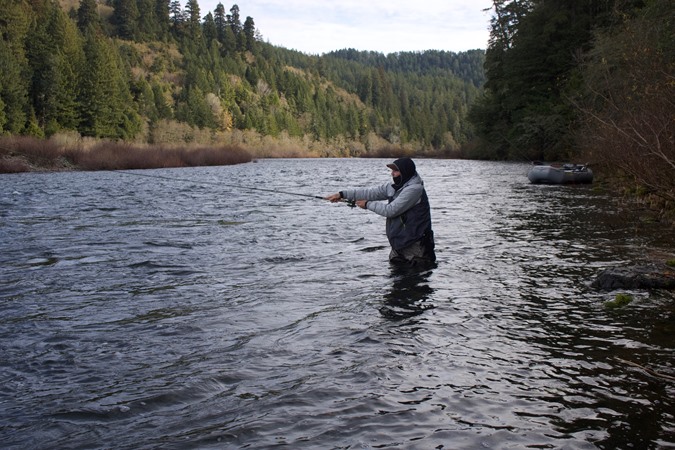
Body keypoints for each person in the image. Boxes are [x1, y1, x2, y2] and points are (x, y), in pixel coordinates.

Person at [325, 157, 436, 265]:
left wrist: (367, 204)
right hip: (399, 245)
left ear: (405, 172)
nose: (392, 173)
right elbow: (368, 193)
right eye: (392, 170)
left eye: (396, 171)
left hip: (417, 246)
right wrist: (341, 194)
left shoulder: (414, 189)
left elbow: (390, 210)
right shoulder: (393, 187)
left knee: (415, 279)